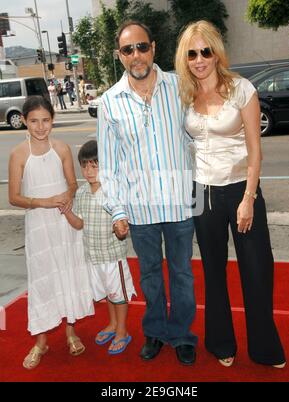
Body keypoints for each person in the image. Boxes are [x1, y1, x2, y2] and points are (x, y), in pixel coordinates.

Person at [175, 20, 286, 368]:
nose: (199, 59)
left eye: (205, 51)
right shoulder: (186, 93)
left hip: (241, 189)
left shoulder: (241, 89)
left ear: (216, 51)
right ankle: (221, 343)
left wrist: (249, 198)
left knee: (256, 270)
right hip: (201, 192)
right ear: (185, 58)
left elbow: (255, 150)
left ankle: (265, 349)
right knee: (212, 270)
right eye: (192, 53)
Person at [97, 21, 197, 365]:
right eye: (128, 50)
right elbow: (109, 166)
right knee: (151, 276)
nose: (136, 55)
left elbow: (196, 138)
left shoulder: (180, 86)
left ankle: (183, 334)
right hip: (139, 212)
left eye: (141, 47)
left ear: (153, 48)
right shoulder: (109, 102)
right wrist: (118, 211)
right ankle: (155, 332)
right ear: (119, 55)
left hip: (181, 204)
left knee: (182, 273)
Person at [8, 96, 95, 369]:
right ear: (24, 121)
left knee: (68, 273)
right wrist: (42, 202)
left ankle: (71, 332)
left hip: (63, 224)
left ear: (53, 120)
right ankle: (41, 342)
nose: (40, 126)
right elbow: (13, 197)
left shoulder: (62, 148)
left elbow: (72, 183)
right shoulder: (18, 154)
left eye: (45, 120)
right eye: (34, 121)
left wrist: (67, 197)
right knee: (42, 280)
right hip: (39, 227)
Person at [62, 140, 136, 354]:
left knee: (118, 295)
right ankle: (112, 324)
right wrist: (67, 212)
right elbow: (80, 223)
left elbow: (122, 221)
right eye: (85, 166)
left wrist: (120, 227)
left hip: (113, 256)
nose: (89, 171)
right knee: (107, 295)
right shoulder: (83, 193)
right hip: (93, 257)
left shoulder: (112, 192)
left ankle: (122, 331)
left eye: (95, 166)